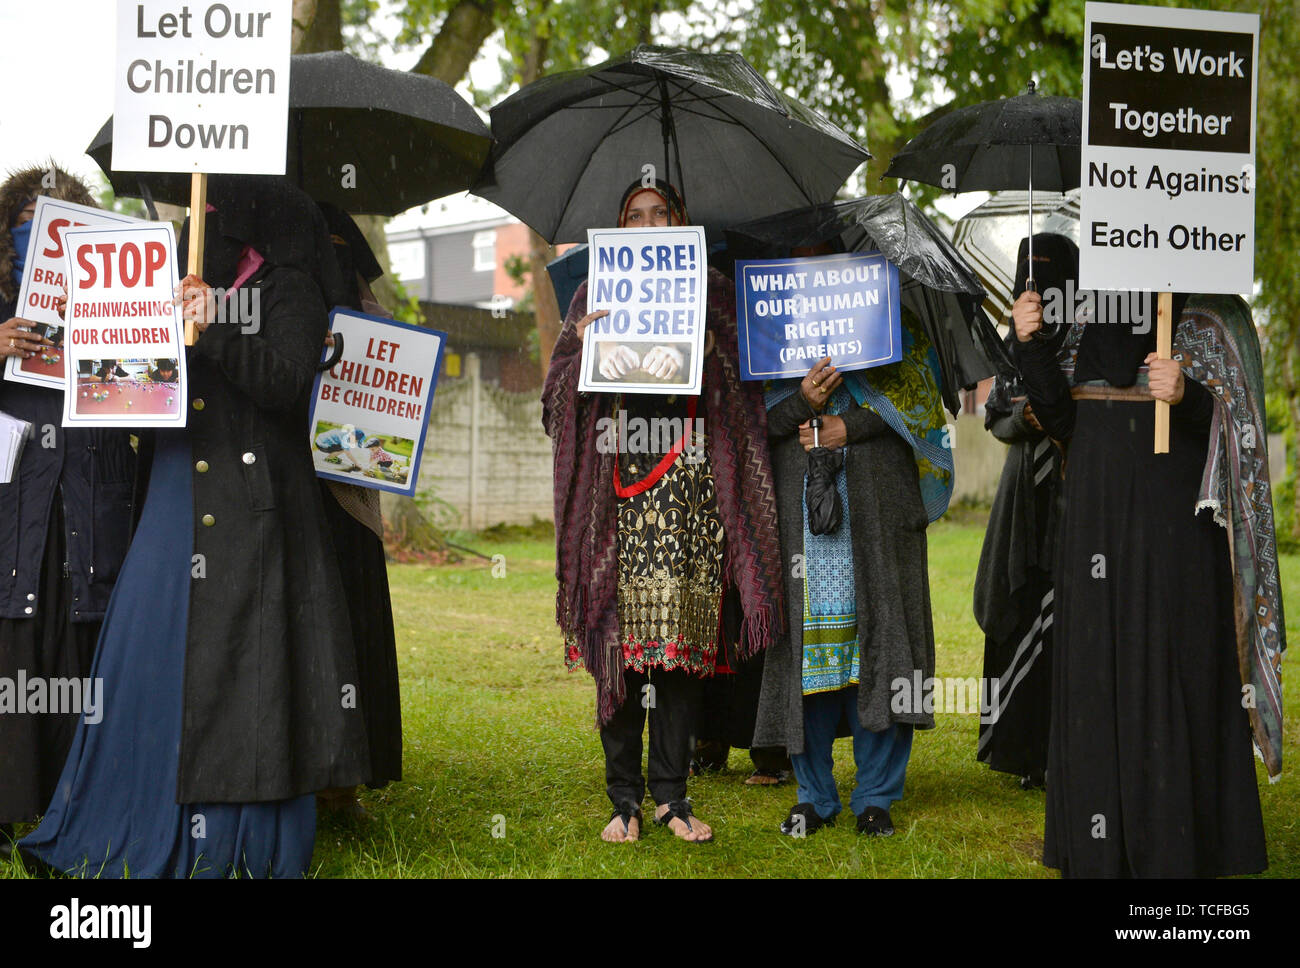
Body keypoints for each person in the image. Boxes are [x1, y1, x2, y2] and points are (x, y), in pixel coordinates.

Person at [19, 174, 369, 878]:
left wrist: (215, 330)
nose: (201, 223)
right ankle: (120, 815)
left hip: (257, 509)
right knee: (148, 649)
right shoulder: (172, 282)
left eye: (216, 213)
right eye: (201, 212)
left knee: (249, 670)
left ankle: (236, 840)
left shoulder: (290, 287)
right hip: (174, 492)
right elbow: (138, 390)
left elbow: (285, 384)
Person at [1012, 279, 1283, 877]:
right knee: (1098, 671)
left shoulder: (1216, 314)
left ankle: (1179, 848)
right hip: (1095, 531)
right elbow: (1057, 418)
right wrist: (1029, 343)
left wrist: (1186, 395)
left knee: (1174, 670)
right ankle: (1101, 849)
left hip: (1178, 542)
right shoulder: (1082, 309)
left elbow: (1239, 432)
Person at [542, 179, 785, 843]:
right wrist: (581, 352)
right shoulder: (595, 294)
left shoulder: (711, 292)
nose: (648, 224)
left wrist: (712, 357)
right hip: (613, 498)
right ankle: (622, 799)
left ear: (682, 222)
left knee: (679, 653)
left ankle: (671, 799)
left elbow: (749, 394)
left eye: (661, 214)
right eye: (634, 216)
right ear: (620, 230)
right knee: (623, 649)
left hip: (690, 495)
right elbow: (554, 402)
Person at [754, 296, 949, 837]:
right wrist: (801, 401)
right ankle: (813, 795)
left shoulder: (892, 315)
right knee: (810, 645)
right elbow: (746, 421)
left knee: (882, 639)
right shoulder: (771, 316)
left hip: (879, 507)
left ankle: (876, 796)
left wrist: (850, 425)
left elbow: (923, 406)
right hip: (800, 516)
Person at [0, 165, 136, 852]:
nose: (35, 242)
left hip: (89, 498)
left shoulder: (117, 301)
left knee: (78, 647)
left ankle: (74, 806)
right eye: (24, 227)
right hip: (14, 505)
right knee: (14, 648)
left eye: (51, 226)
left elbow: (152, 398)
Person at [312, 201, 403, 819]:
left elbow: (383, 328)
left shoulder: (332, 216)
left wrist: (365, 339)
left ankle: (347, 779)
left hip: (348, 473)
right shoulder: (227, 227)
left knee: (353, 613)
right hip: (273, 466)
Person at [972, 235, 1074, 788]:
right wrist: (1026, 420)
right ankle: (1019, 751)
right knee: (1020, 603)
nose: (1039, 279)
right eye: (1029, 269)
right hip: (1021, 500)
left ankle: (1062, 748)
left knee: (1065, 614)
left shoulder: (1086, 334)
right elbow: (995, 417)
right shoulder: (1013, 340)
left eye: (1051, 270)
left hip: (1073, 490)